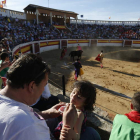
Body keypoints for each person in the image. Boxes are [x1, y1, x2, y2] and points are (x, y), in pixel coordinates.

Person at [0, 54, 78, 140]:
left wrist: (47, 113)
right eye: (44, 85)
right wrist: (67, 127)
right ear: (32, 86)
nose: (43, 90)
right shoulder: (30, 126)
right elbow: (24, 123)